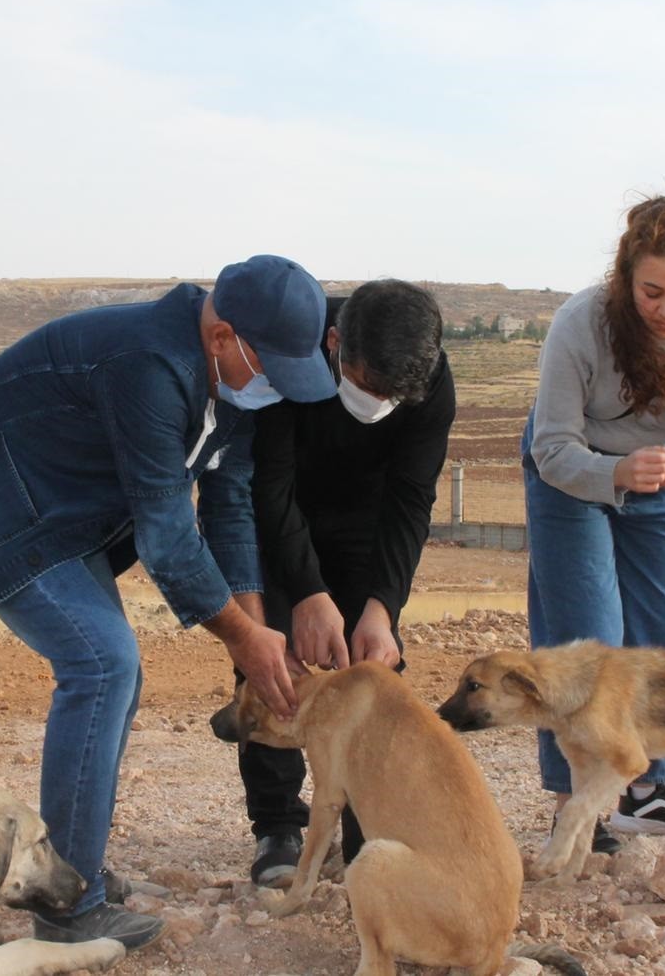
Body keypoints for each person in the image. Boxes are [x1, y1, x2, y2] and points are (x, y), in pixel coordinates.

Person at [0, 255, 336, 951]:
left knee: (112, 674)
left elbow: (229, 503)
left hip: (59, 514)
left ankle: (75, 870)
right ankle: (68, 910)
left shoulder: (229, 385)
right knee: (103, 665)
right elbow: (166, 536)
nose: (278, 386)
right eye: (272, 366)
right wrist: (243, 640)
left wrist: (256, 630)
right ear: (222, 337)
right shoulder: (149, 365)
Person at [522, 192, 665, 849]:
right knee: (584, 647)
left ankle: (646, 795)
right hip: (570, 473)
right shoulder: (580, 324)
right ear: (625, 277)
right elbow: (552, 447)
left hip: (661, 475)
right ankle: (576, 807)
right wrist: (612, 474)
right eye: (652, 292)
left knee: (661, 640)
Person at [237, 279, 455, 886]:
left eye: (395, 397)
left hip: (366, 526)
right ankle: (278, 824)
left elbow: (412, 500)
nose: (381, 404)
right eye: (369, 387)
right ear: (335, 344)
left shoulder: (429, 379)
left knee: (374, 676)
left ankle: (370, 834)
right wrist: (307, 592)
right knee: (273, 663)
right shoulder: (292, 348)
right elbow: (268, 485)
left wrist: (382, 606)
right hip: (285, 514)